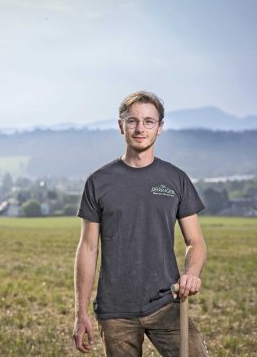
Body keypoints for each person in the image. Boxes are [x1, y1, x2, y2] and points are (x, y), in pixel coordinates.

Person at [73, 91, 209, 356]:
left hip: (167, 302)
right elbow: (88, 249)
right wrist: (80, 313)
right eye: (132, 121)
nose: (140, 128)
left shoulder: (176, 179)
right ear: (120, 126)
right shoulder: (98, 182)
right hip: (116, 311)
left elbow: (195, 241)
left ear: (160, 128)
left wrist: (192, 273)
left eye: (148, 121)